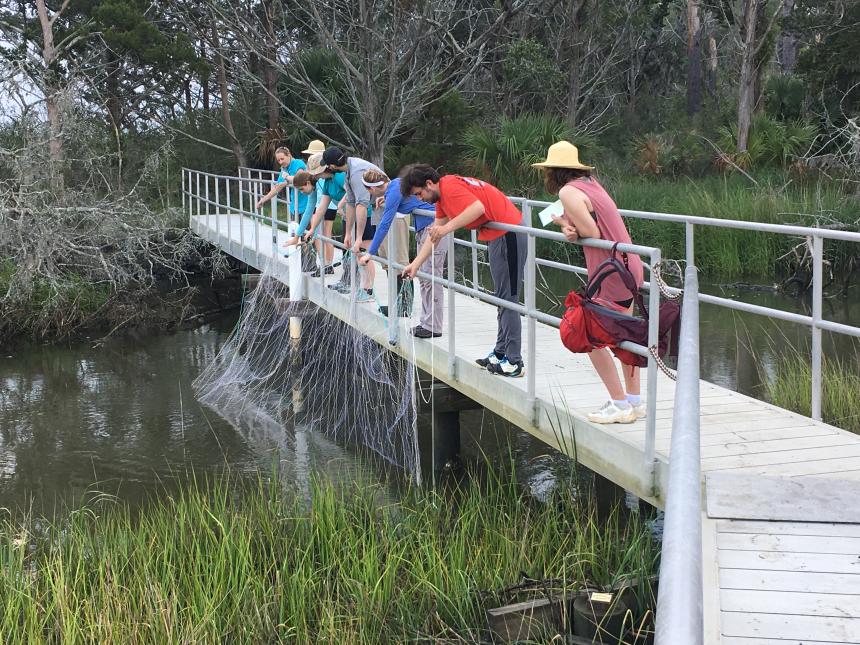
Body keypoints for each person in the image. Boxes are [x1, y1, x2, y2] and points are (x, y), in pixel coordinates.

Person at [533, 140, 645, 424]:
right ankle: (634, 401)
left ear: (553, 171)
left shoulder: (567, 191)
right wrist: (567, 226)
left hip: (610, 271)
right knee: (623, 335)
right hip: (628, 263)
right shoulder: (591, 184)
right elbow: (585, 225)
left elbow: (590, 231)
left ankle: (619, 405)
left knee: (587, 333)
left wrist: (569, 230)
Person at [400, 164, 526, 377]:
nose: (420, 199)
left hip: (509, 234)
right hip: (498, 236)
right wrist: (415, 264)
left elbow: (477, 208)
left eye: (419, 193)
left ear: (429, 184)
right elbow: (435, 236)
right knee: (501, 297)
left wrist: (446, 228)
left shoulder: (449, 187)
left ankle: (514, 361)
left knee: (508, 299)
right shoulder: (442, 198)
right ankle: (501, 351)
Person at [357, 169, 447, 337]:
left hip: (434, 229)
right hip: (426, 230)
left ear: (373, 189)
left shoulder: (395, 191)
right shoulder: (397, 184)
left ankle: (432, 326)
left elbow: (385, 223)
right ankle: (427, 324)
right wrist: (387, 198)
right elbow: (406, 199)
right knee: (426, 279)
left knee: (431, 279)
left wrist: (370, 253)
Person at [320, 147, 381, 302]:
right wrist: (348, 233)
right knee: (361, 251)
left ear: (332, 166)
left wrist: (358, 237)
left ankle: (368, 291)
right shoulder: (348, 170)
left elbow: (362, 204)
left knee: (365, 249)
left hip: (380, 209)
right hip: (373, 208)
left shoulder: (355, 173)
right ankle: (364, 288)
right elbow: (350, 202)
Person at [255, 147, 308, 218]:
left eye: (282, 159)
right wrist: (263, 200)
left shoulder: (298, 163)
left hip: (306, 206)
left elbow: (299, 179)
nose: (280, 162)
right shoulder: (284, 169)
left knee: (308, 229)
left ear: (288, 155)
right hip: (294, 207)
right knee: (294, 228)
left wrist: (286, 181)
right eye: (278, 160)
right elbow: (277, 187)